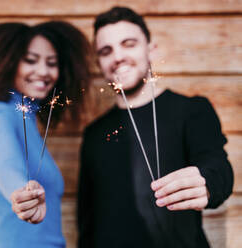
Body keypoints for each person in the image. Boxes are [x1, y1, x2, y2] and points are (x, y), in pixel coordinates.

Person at [77, 6, 234, 248]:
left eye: (128, 44)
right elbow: (87, 219)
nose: (118, 56)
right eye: (106, 51)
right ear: (99, 63)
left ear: (151, 49)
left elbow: (218, 167)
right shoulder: (94, 133)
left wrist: (208, 183)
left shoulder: (192, 110)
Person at [0, 21, 91, 248]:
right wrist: (21, 194)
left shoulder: (25, 119)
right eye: (30, 60)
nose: (43, 71)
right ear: (6, 63)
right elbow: (7, 166)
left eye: (52, 63)